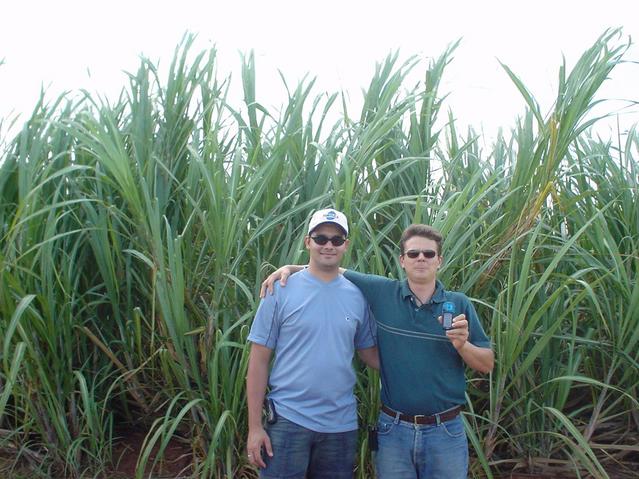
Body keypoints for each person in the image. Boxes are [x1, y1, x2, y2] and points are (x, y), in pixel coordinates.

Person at [261, 224, 494, 479]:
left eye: (428, 254)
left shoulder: (458, 304)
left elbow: (486, 364)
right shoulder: (383, 292)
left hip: (445, 431)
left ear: (439, 260)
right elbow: (330, 266)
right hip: (393, 431)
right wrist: (291, 269)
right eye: (414, 254)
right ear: (402, 260)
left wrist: (462, 345)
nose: (421, 259)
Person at [246, 208, 379, 479]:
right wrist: (254, 427)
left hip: (340, 426)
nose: (328, 245)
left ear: (345, 245)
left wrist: (419, 363)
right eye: (320, 238)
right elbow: (258, 359)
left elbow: (369, 353)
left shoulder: (358, 295)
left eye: (336, 240)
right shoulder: (279, 289)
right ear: (308, 242)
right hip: (287, 421)